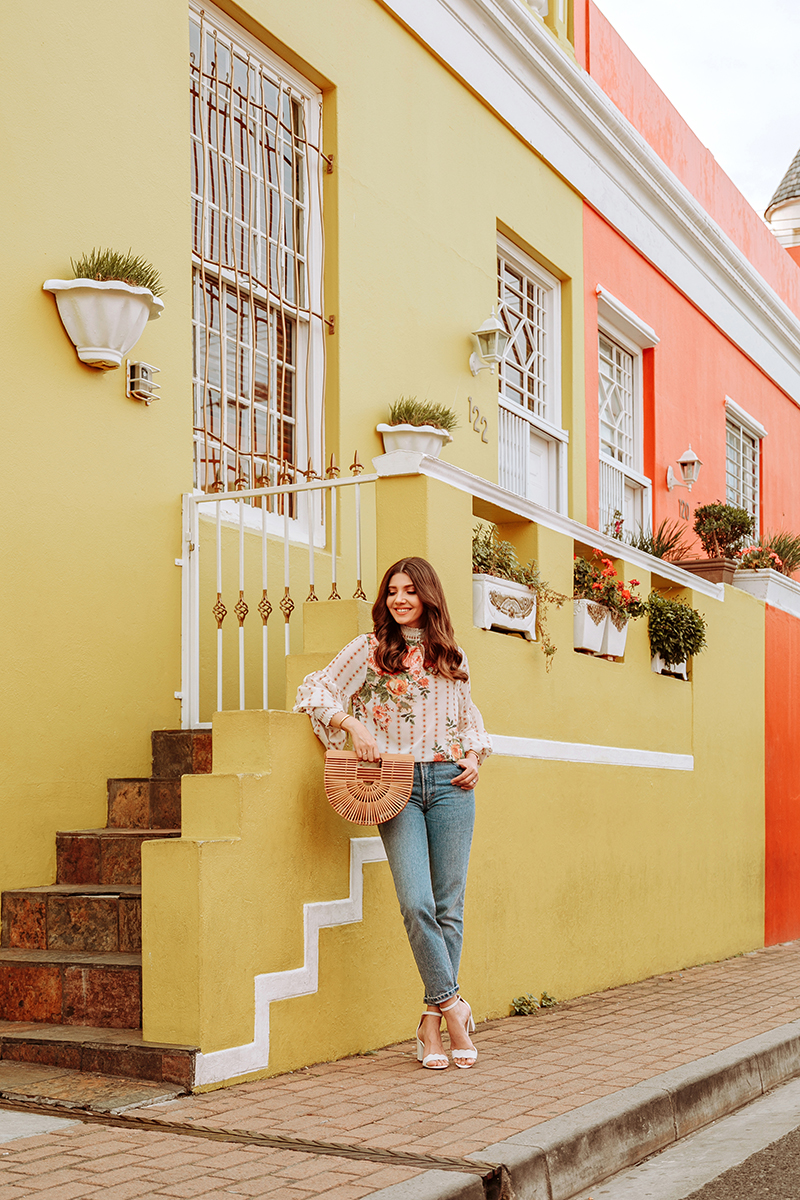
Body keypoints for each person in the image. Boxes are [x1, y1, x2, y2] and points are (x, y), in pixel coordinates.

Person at [294, 557, 492, 1070]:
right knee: (415, 902)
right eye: (392, 592)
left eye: (410, 590)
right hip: (394, 785)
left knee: (449, 905)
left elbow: (468, 718)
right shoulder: (369, 650)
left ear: (429, 595)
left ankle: (431, 1023)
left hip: (451, 783)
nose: (400, 599)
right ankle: (453, 1007)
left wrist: (473, 755)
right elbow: (314, 689)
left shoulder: (452, 655)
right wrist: (353, 727)